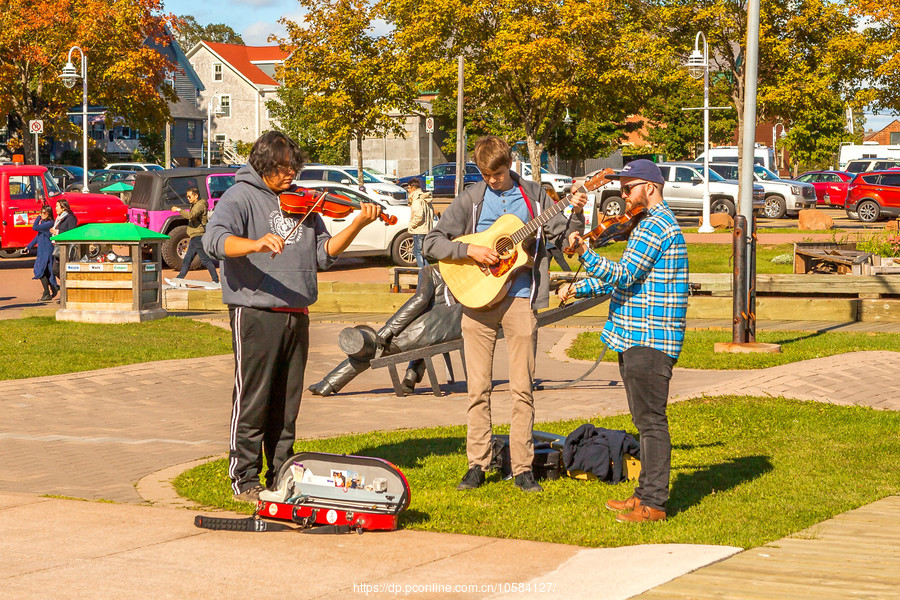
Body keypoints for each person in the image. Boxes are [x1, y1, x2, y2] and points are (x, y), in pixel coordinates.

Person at [203, 131, 383, 503]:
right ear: (263, 165)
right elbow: (214, 240)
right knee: (254, 398)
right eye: (282, 169)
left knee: (287, 403)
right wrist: (255, 243)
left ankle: (282, 473)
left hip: (297, 312)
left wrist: (356, 225)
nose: (290, 175)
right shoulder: (239, 196)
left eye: (293, 168)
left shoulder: (304, 201)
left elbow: (322, 254)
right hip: (255, 311)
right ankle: (245, 478)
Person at [423, 136, 585, 493]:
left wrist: (575, 216)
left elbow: (563, 235)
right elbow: (431, 242)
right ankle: (477, 464)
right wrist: (470, 250)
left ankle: (523, 467)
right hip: (477, 302)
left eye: (497, 173)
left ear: (509, 166)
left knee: (522, 388)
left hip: (520, 298)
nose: (492, 180)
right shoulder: (472, 198)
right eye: (485, 174)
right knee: (477, 388)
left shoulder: (535, 196)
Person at [557, 159, 689, 522]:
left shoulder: (657, 225)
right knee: (644, 421)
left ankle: (655, 505)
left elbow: (624, 272)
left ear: (649, 186)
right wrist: (577, 287)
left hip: (650, 338)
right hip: (637, 336)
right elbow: (626, 281)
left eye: (628, 188)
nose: (624, 195)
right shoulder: (648, 223)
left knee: (651, 423)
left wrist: (585, 254)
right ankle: (644, 493)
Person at [172, 187, 219, 286]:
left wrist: (178, 210)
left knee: (205, 259)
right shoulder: (194, 204)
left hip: (199, 236)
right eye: (187, 197)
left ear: (196, 196)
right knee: (187, 259)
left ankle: (215, 280)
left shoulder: (199, 205)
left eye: (189, 196)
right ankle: (179, 279)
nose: (188, 198)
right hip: (194, 236)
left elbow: (191, 216)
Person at [25, 206, 58, 301]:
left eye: (44, 213)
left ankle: (48, 292)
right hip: (42, 250)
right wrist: (28, 247)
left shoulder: (49, 223)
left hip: (47, 250)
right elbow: (37, 237)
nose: (42, 214)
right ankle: (52, 288)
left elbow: (34, 227)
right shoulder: (44, 223)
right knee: (45, 271)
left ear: (49, 214)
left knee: (40, 270)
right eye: (41, 212)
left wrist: (38, 217)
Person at [406, 178, 434, 268]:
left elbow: (419, 215)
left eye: (409, 188)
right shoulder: (425, 199)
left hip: (419, 230)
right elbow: (431, 213)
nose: (408, 190)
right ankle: (428, 270)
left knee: (417, 252)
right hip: (426, 229)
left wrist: (411, 225)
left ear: (413, 188)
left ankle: (423, 271)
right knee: (421, 253)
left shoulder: (417, 200)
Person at [49, 198, 77, 280]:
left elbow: (71, 232)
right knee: (55, 269)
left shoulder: (70, 218)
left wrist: (58, 232)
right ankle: (65, 284)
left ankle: (67, 285)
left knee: (61, 269)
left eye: (57, 206)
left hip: (66, 248)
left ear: (63, 207)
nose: (55, 208)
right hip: (58, 246)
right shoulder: (59, 218)